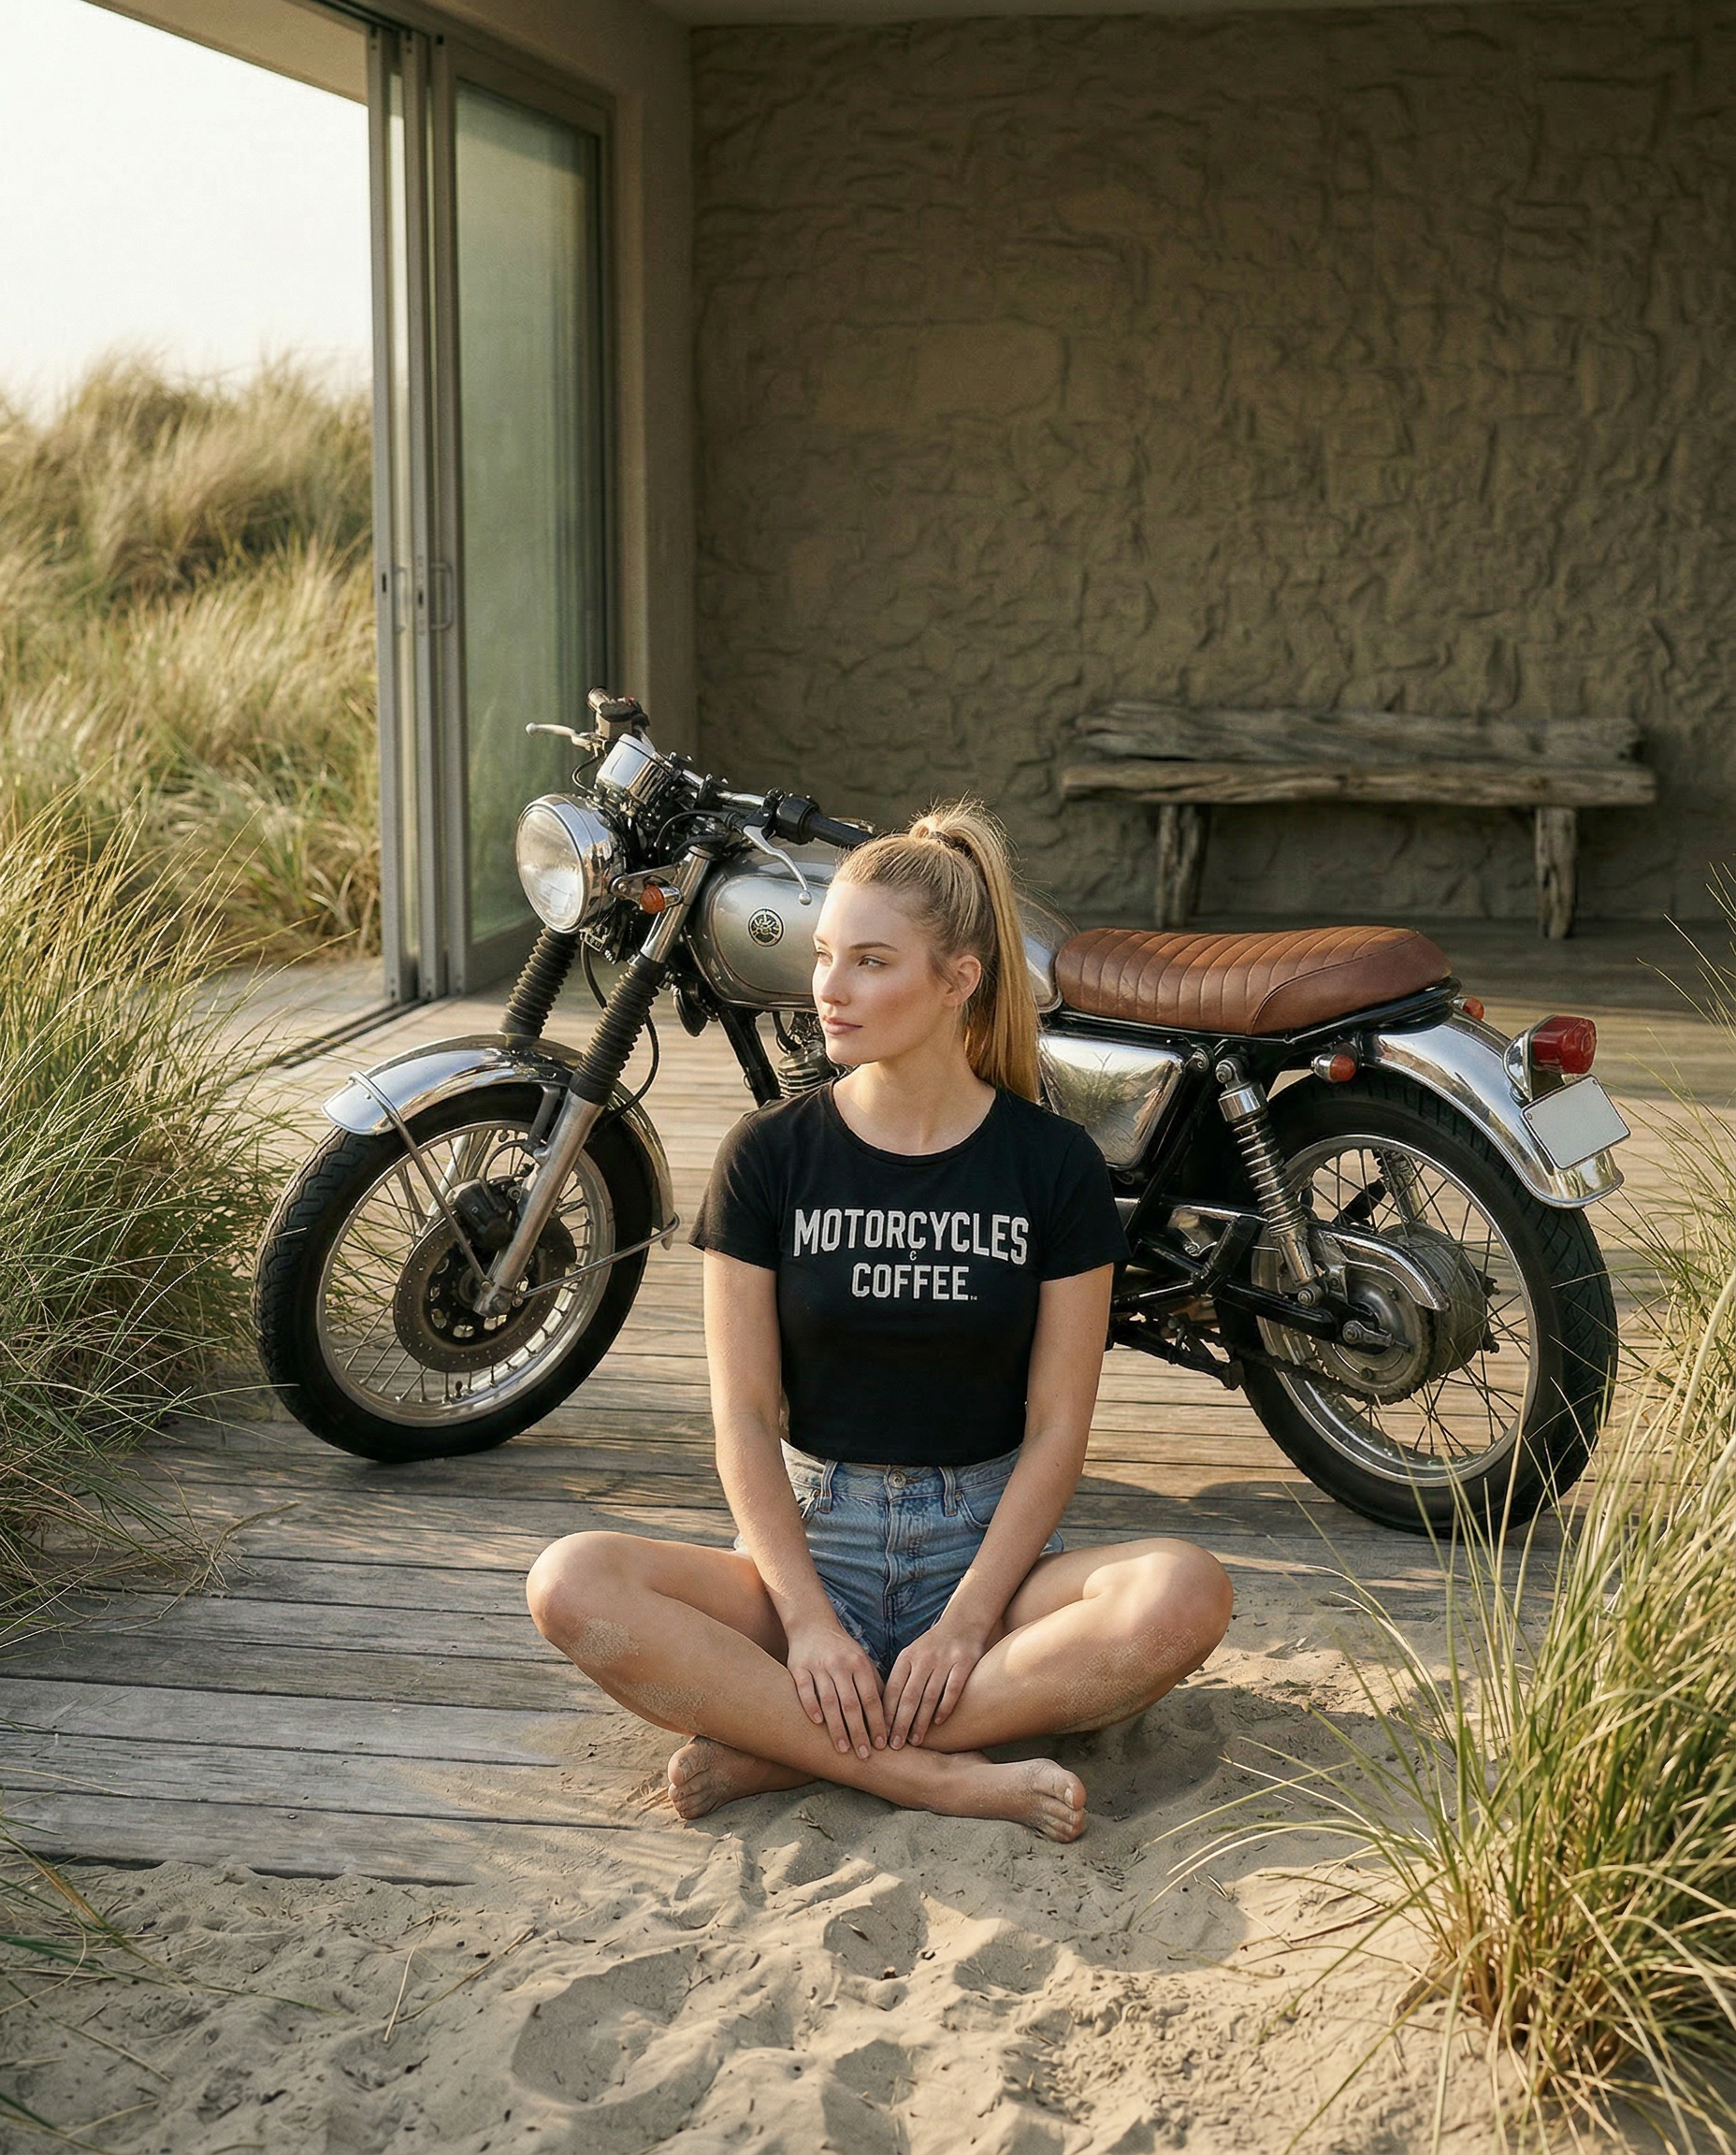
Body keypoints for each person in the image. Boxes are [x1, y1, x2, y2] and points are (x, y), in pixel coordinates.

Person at [527, 804, 1234, 1840]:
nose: (829, 989)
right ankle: (932, 1775)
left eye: (868, 961)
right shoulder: (768, 1154)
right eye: (822, 957)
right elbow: (744, 1417)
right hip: (810, 1546)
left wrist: (967, 1621)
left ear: (958, 979)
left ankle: (785, 1751)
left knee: (1183, 1591)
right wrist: (808, 1623)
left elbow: (1055, 1431)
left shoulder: (1052, 1167)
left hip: (985, 1545)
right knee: (571, 1581)